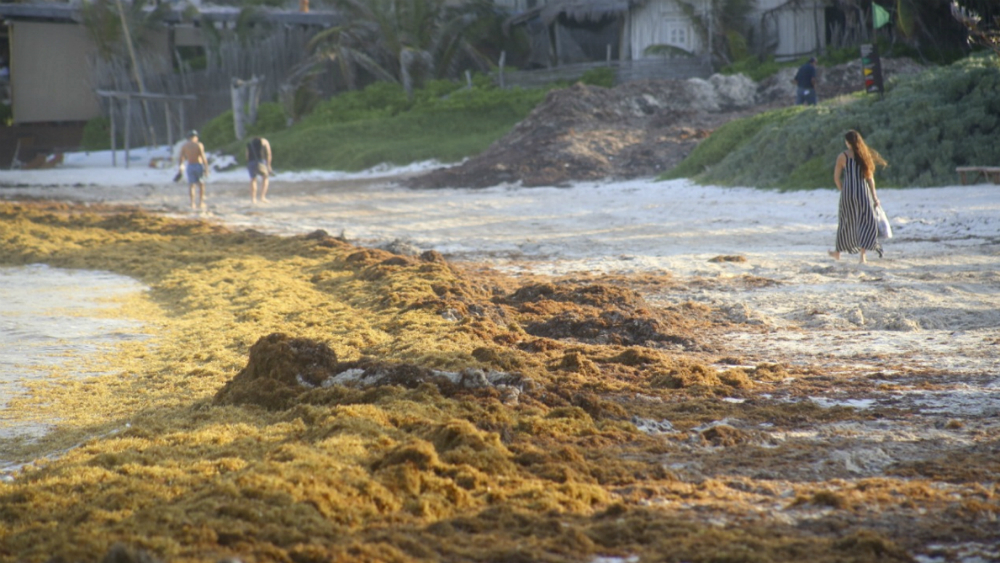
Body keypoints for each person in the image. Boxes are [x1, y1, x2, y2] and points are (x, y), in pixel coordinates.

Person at [830, 129, 888, 264]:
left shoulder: (842, 156)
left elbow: (836, 178)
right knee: (865, 222)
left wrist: (843, 191)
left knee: (846, 221)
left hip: (848, 194)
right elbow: (870, 179)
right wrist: (875, 197)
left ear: (848, 142)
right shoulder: (864, 155)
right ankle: (862, 256)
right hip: (863, 193)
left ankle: (837, 253)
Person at [179, 130, 209, 210]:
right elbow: (203, 157)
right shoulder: (198, 145)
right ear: (195, 137)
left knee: (191, 185)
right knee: (201, 184)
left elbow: (181, 158)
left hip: (190, 165)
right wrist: (206, 168)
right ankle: (201, 202)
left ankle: (192, 203)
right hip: (198, 165)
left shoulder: (185, 146)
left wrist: (180, 167)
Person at [246, 136, 273, 204]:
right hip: (261, 161)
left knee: (253, 179)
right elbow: (268, 153)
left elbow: (247, 154)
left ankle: (253, 199)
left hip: (251, 162)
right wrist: (268, 165)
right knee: (265, 177)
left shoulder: (250, 142)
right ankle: (262, 197)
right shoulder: (264, 141)